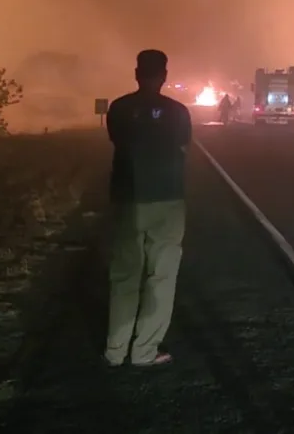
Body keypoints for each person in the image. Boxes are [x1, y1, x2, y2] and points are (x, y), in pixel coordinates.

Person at [104, 49, 192, 367]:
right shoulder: (179, 112)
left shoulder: (119, 108)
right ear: (164, 75)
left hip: (128, 199)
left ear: (137, 73)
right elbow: (183, 145)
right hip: (167, 199)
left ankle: (115, 350)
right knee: (161, 276)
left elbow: (117, 141)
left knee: (125, 275)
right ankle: (144, 351)